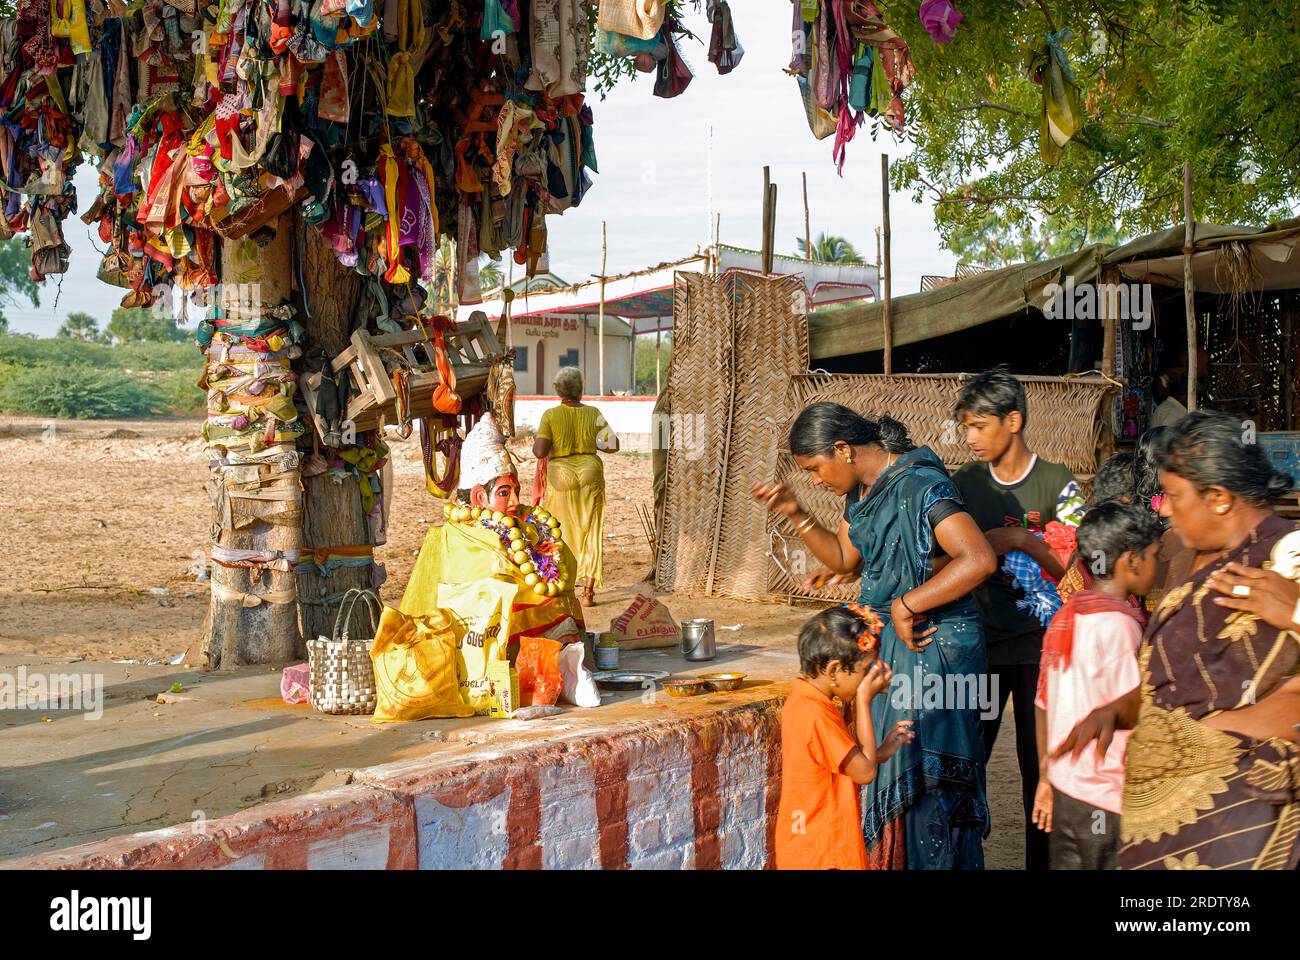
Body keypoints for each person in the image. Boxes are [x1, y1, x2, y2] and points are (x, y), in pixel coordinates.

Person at [753, 403, 997, 869]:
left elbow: (978, 558)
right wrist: (795, 512)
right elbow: (847, 557)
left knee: (930, 786)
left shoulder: (923, 485)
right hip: (895, 648)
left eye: (815, 469)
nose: (816, 480)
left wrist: (907, 603)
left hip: (934, 648)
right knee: (902, 785)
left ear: (842, 450)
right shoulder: (864, 490)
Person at [1053, 412, 1300, 870]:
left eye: (1173, 495)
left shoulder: (1289, 553)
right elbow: (1171, 676)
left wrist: (1296, 613)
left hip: (1244, 823)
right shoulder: (1190, 560)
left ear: (1220, 498)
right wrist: (1125, 708)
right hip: (1168, 830)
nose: (1162, 508)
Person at [949, 365, 1085, 870]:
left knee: (1040, 772)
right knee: (967, 764)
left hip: (1041, 652)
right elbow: (942, 559)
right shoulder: (961, 485)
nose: (970, 438)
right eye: (966, 427)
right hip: (979, 647)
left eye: (979, 425)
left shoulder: (1058, 483)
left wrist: (1024, 541)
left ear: (1013, 420)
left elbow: (1077, 573)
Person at [1031, 502, 1162, 869]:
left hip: (1066, 786)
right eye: (1154, 556)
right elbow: (1136, 710)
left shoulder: (1065, 616)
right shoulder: (1122, 627)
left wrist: (1045, 775)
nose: (1158, 565)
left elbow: (1042, 704)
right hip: (1108, 793)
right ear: (1132, 562)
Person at [402, 412, 584, 641]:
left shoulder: (531, 526)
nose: (516, 502)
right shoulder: (466, 538)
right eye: (504, 493)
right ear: (479, 498)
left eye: (516, 491)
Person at [776, 605, 916, 870]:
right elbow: (864, 773)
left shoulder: (808, 699)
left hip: (811, 844)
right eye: (865, 671)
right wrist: (864, 700)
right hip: (822, 851)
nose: (868, 678)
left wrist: (881, 751)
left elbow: (844, 761)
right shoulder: (814, 713)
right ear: (834, 670)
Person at [533, 367, 618, 607]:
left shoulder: (551, 415)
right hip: (590, 470)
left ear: (557, 390)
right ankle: (588, 593)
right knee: (591, 531)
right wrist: (589, 442)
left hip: (561, 473)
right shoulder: (594, 412)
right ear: (580, 389)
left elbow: (539, 451)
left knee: (557, 530)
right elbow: (614, 445)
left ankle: (558, 583)